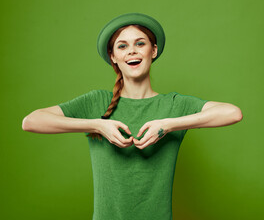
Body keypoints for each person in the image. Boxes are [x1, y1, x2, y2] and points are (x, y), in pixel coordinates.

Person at [22, 12, 243, 220]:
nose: (132, 51)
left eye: (140, 43)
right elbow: (31, 121)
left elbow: (232, 113)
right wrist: (97, 125)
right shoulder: (97, 102)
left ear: (153, 51)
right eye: (122, 46)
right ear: (113, 57)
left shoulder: (174, 105)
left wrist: (168, 125)